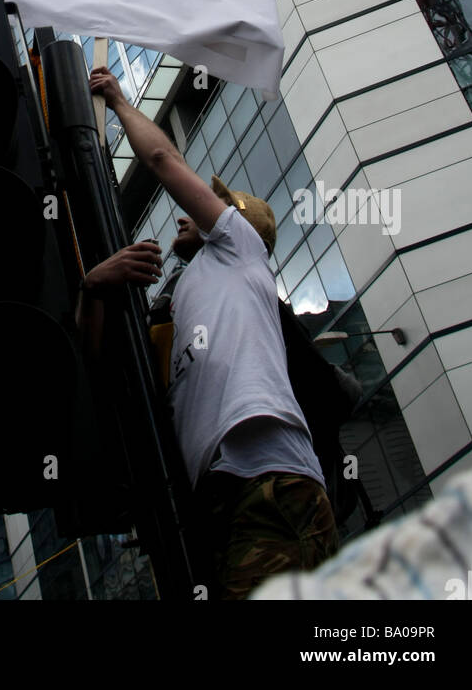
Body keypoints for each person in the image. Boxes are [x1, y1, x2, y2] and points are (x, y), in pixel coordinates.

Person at [83, 66, 339, 600]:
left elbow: (161, 160)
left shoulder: (240, 251)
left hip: (271, 482)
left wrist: (117, 99)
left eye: (212, 207)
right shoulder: (179, 303)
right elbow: (99, 368)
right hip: (218, 500)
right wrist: (94, 289)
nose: (187, 215)